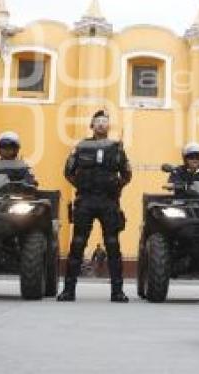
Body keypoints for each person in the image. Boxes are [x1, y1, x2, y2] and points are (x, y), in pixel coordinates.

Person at [58, 110, 132, 302]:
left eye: (104, 122)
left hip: (108, 201)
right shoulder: (81, 147)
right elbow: (68, 171)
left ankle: (117, 292)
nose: (101, 125)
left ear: (108, 126)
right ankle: (68, 290)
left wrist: (116, 188)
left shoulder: (117, 148)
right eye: (97, 122)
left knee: (113, 245)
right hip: (86, 200)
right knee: (77, 244)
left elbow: (126, 174)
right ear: (91, 125)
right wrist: (82, 186)